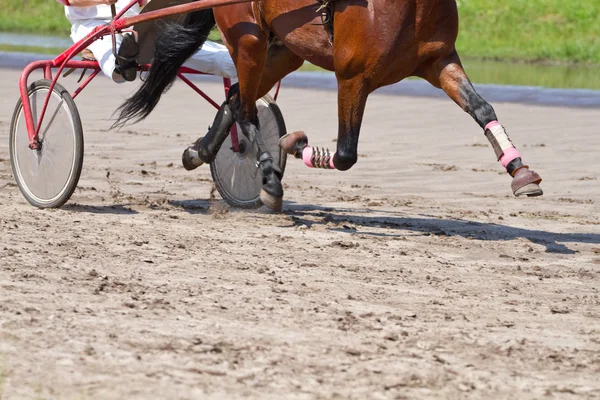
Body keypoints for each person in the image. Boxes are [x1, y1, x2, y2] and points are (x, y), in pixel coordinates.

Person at [56, 0, 237, 83]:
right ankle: (124, 62)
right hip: (93, 26)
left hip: (139, 25)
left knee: (232, 64)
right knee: (114, 60)